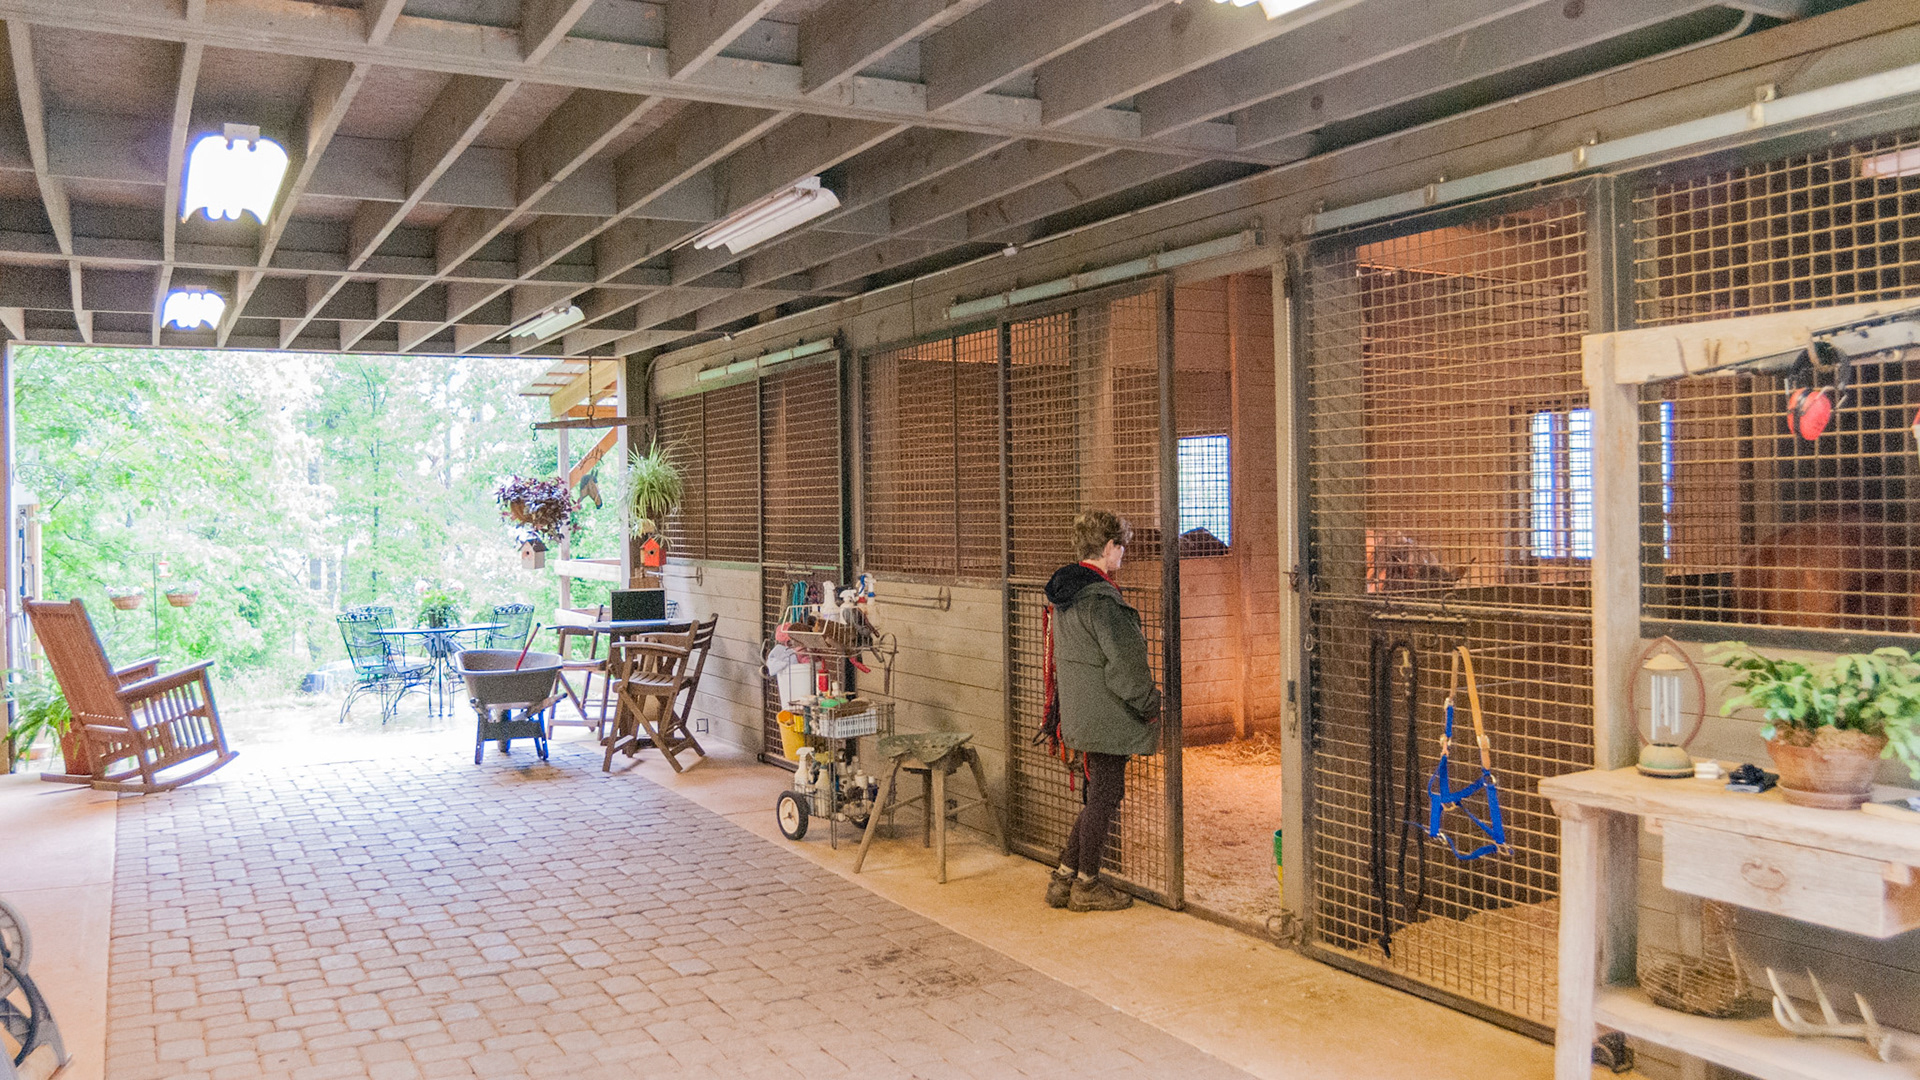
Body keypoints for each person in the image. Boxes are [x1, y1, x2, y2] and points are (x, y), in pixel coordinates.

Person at [1043, 509, 1161, 912]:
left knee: (1100, 795)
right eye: (1122, 548)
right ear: (1109, 547)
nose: (1123, 556)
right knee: (1106, 796)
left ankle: (1063, 878)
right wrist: (1150, 704)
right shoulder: (1104, 600)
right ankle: (1088, 884)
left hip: (1078, 710)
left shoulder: (1067, 593)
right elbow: (1126, 669)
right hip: (1108, 715)